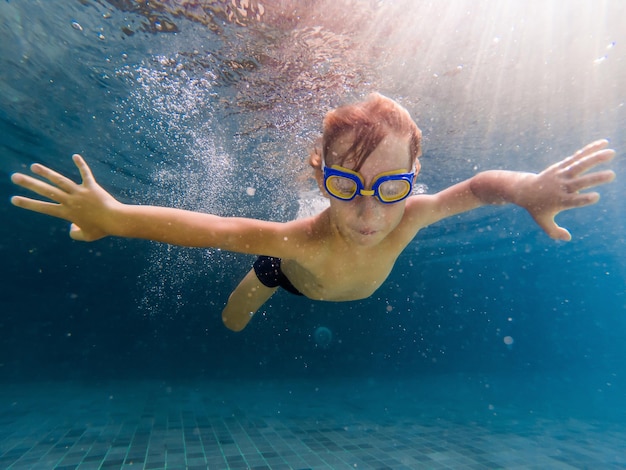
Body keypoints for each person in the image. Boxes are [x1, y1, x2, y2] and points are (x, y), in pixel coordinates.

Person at [10, 94, 616, 332]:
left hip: (344, 287)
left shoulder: (413, 215)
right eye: (347, 184)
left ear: (412, 183)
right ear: (324, 180)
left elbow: (482, 185)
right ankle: (254, 290)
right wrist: (114, 216)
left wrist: (526, 188)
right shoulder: (299, 238)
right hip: (289, 276)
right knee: (234, 318)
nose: (369, 211)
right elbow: (214, 232)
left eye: (391, 187)